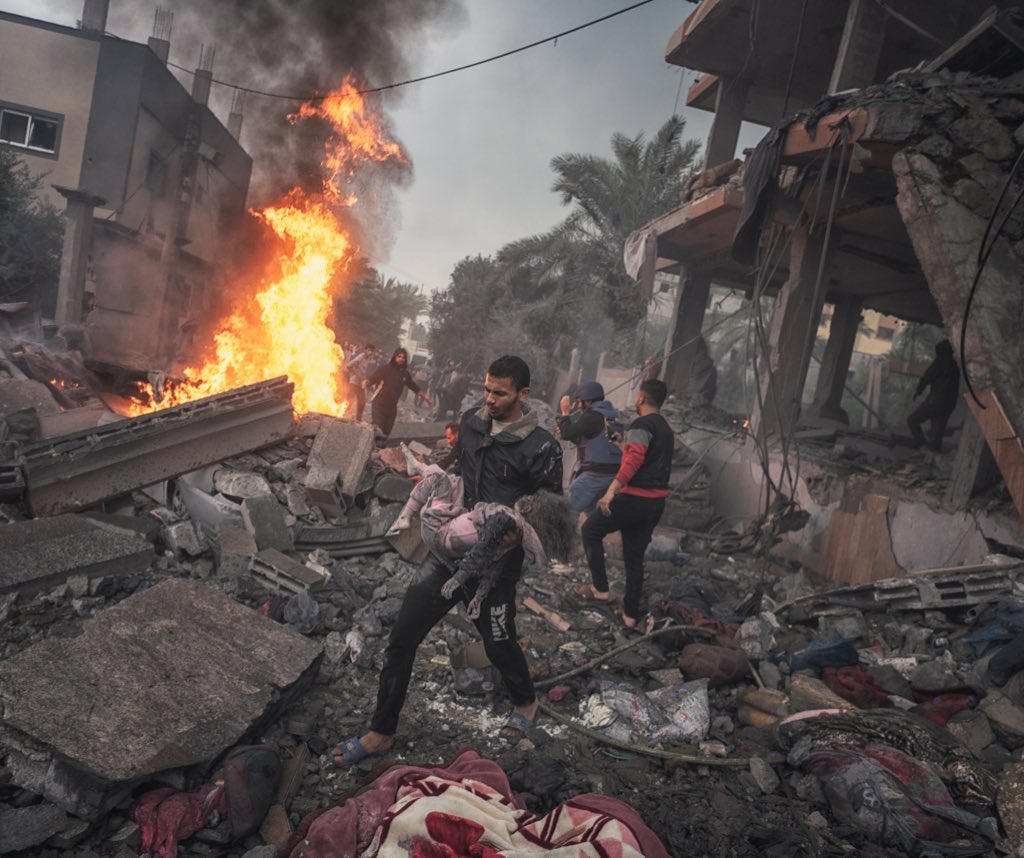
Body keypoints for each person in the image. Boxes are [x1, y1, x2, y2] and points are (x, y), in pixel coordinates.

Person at [330, 355, 563, 767]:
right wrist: (429, 477)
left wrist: (512, 530)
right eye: (487, 389)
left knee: (498, 641)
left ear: (523, 395)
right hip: (448, 554)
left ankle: (525, 702)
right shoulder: (473, 423)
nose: (489, 399)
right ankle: (381, 732)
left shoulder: (542, 447)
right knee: (402, 639)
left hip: (494, 567)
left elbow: (549, 509)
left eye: (500, 393)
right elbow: (457, 462)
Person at [385, 464, 575, 619]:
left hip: (439, 532)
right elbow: (489, 556)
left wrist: (470, 586)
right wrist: (472, 586)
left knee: (439, 477)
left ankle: (408, 507)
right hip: (445, 542)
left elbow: (488, 552)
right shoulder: (510, 530)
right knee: (442, 479)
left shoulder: (508, 521)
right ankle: (414, 483)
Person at [579, 378, 674, 629]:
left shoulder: (641, 423)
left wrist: (610, 491)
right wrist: (623, 445)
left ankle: (600, 589)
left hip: (634, 499)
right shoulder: (665, 428)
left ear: (641, 398)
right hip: (655, 503)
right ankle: (630, 616)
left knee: (590, 530)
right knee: (634, 558)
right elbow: (644, 459)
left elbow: (633, 463)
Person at [555, 380, 623, 516]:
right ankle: (592, 534)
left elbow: (568, 432)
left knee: (569, 511)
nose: (579, 405)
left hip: (596, 473)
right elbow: (590, 439)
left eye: (580, 401)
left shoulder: (592, 415)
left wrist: (565, 413)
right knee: (592, 512)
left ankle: (565, 536)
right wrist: (566, 431)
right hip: (613, 474)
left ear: (587, 401)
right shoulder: (611, 414)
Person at [363, 347, 432, 439]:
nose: (401, 359)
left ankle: (380, 449)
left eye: (403, 357)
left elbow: (413, 387)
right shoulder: (384, 369)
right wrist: (367, 382)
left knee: (387, 431)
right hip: (379, 403)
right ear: (394, 357)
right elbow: (373, 379)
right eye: (399, 356)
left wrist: (426, 398)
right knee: (378, 427)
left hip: (392, 406)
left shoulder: (405, 374)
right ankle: (368, 445)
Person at [907, 339, 960, 453]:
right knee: (937, 433)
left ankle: (922, 445)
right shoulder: (955, 365)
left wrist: (918, 391)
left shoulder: (939, 362)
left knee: (912, 420)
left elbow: (927, 377)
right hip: (949, 404)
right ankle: (933, 454)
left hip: (935, 401)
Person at [344, 343, 378, 421]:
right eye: (369, 350)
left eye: (372, 351)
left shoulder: (368, 359)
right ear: (365, 350)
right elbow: (349, 366)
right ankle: (343, 414)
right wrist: (356, 373)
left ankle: (358, 419)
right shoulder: (361, 357)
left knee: (362, 402)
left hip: (360, 383)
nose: (371, 352)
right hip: (354, 382)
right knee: (349, 399)